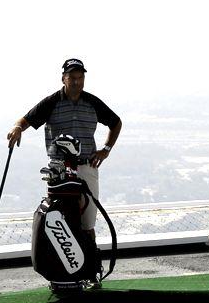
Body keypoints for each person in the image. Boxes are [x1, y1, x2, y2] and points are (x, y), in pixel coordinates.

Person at [7, 58, 122, 243]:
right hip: (59, 170)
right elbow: (25, 120)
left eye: (80, 77)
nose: (77, 81)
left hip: (87, 166)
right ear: (63, 79)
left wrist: (106, 150)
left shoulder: (92, 102)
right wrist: (17, 128)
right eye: (72, 77)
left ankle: (89, 266)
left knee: (88, 223)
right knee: (59, 219)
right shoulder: (51, 102)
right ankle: (63, 267)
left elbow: (116, 123)